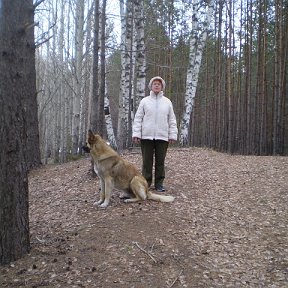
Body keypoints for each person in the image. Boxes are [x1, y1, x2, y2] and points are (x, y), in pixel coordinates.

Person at [132, 76, 178, 192]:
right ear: (151, 87)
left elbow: (172, 120)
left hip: (162, 137)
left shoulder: (167, 102)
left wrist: (172, 135)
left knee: (160, 162)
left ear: (162, 87)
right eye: (154, 84)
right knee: (147, 162)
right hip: (146, 136)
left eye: (159, 84)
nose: (156, 85)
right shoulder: (144, 101)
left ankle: (159, 184)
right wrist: (136, 133)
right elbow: (138, 118)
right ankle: (146, 183)